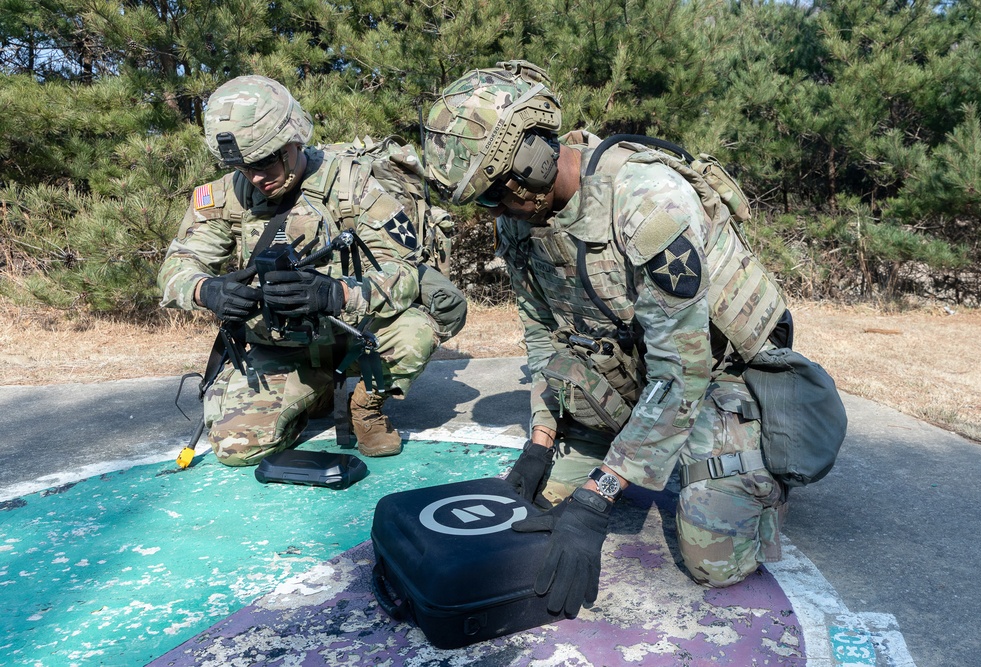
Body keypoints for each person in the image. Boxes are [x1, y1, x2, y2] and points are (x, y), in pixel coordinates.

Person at [423, 61, 792, 617]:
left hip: (719, 375)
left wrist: (599, 495)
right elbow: (545, 339)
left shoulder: (648, 202)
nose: (493, 212)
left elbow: (684, 369)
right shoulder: (518, 218)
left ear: (531, 159)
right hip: (638, 371)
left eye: (494, 194)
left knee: (714, 563)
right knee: (540, 506)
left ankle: (767, 458)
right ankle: (628, 451)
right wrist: (540, 440)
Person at [158, 75, 466, 466]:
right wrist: (208, 290)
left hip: (355, 338)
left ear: (294, 139)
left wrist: (336, 294)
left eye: (266, 160)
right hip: (283, 346)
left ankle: (366, 404)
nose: (255, 177)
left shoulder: (353, 184)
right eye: (241, 165)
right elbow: (177, 267)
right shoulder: (224, 195)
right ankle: (314, 390)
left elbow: (405, 271)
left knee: (415, 330)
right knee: (237, 448)